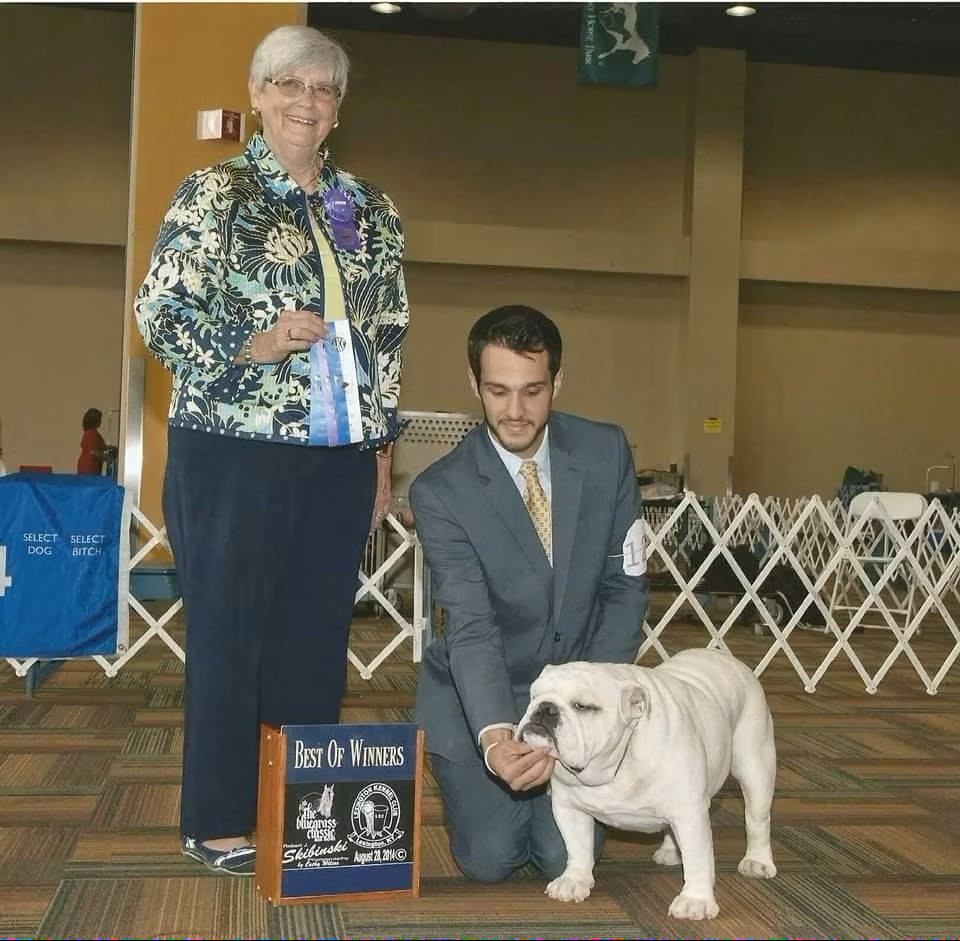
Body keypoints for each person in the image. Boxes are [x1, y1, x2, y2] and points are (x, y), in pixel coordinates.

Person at [134, 25, 409, 875]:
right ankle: (215, 818)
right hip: (231, 449)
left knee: (315, 634)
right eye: (289, 83)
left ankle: (303, 815)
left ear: (338, 109)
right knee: (230, 632)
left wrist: (380, 452)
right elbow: (158, 316)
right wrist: (253, 341)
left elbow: (388, 334)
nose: (306, 101)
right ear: (256, 95)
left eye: (324, 89)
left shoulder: (368, 207)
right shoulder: (211, 194)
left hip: (336, 456)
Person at [410, 305, 648, 883]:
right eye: (497, 391)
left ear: (557, 382)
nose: (515, 411)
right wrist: (497, 738)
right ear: (474, 386)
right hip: (483, 694)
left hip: (580, 687)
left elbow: (626, 588)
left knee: (562, 859)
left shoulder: (606, 452)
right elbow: (469, 626)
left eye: (532, 390)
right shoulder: (440, 492)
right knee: (490, 861)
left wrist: (589, 710)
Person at [77, 408, 107, 475]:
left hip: (88, 465)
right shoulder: (92, 433)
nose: (101, 422)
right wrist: (107, 459)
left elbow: (101, 446)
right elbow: (93, 451)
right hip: (89, 467)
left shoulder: (89, 433)